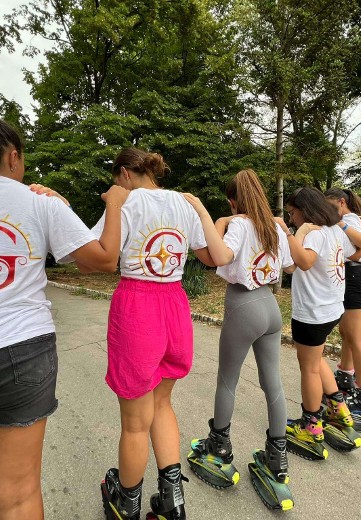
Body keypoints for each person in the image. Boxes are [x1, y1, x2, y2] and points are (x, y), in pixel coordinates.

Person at [86, 147, 231, 520]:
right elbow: (212, 256)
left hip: (138, 307)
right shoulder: (184, 203)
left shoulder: (125, 202)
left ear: (124, 174)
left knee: (136, 424)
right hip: (175, 306)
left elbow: (95, 257)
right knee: (163, 403)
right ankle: (173, 501)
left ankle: (127, 505)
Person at [0, 119, 128, 520]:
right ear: (14, 157)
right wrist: (114, 203)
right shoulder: (39, 202)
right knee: (19, 492)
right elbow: (102, 260)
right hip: (23, 348)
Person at [184, 170, 296, 506]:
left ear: (233, 201)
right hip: (270, 307)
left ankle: (219, 446)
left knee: (227, 381)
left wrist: (217, 220)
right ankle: (277, 459)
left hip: (243, 306)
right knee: (273, 383)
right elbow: (290, 267)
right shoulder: (273, 226)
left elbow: (221, 256)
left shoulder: (239, 225)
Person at [275, 187, 357, 458]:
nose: (291, 218)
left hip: (313, 312)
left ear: (305, 210)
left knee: (308, 368)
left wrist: (290, 234)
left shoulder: (314, 233)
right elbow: (354, 252)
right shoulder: (334, 230)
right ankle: (338, 409)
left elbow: (305, 262)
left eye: (292, 213)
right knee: (316, 359)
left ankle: (310, 426)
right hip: (331, 308)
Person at [324, 187, 361, 416]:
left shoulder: (349, 220)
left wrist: (339, 230)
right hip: (352, 279)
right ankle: (346, 377)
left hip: (354, 278)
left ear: (341, 202)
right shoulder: (352, 220)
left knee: (357, 340)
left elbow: (360, 251)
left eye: (330, 206)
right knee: (348, 335)